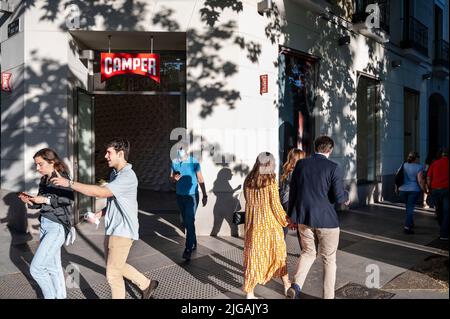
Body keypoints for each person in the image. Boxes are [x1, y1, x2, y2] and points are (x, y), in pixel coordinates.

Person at [51, 138, 159, 299]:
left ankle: (145, 285)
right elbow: (115, 202)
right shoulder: (115, 174)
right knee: (117, 266)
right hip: (113, 229)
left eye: (109, 153)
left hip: (123, 231)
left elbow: (100, 193)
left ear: (120, 154)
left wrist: (69, 183)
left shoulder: (127, 176)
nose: (106, 156)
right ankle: (146, 284)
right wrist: (99, 214)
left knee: (113, 274)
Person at [286, 136, 349, 299]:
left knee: (307, 253)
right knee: (329, 259)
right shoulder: (333, 167)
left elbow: (293, 192)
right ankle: (328, 297)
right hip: (327, 221)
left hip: (304, 218)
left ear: (315, 147)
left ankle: (296, 285)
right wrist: (346, 196)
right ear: (330, 150)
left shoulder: (301, 164)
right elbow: (339, 197)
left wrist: (291, 216)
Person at [18, 148, 74, 299]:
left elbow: (68, 200)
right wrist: (30, 201)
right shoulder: (44, 179)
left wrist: (44, 200)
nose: (37, 168)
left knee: (36, 269)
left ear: (52, 162)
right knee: (53, 266)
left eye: (40, 164)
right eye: (36, 165)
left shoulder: (62, 177)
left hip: (57, 226)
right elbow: (41, 203)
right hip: (45, 224)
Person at [242, 152, 291, 299]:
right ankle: (287, 285)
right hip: (270, 225)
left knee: (254, 257)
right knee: (279, 254)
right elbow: (276, 206)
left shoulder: (248, 180)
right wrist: (286, 220)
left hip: (253, 224)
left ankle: (250, 292)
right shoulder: (271, 181)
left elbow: (247, 199)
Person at [170, 141, 207, 261]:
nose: (179, 151)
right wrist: (174, 179)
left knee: (189, 221)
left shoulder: (194, 162)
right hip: (180, 196)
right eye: (178, 149)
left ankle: (188, 249)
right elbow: (171, 178)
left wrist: (204, 195)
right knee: (186, 222)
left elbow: (200, 179)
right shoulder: (175, 162)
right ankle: (193, 240)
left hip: (192, 196)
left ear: (186, 150)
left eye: (181, 149)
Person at [280, 148, 306, 247]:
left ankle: (279, 251)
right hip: (291, 202)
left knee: (284, 227)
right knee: (300, 228)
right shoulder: (295, 172)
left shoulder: (286, 170)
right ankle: (304, 251)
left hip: (284, 201)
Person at [398, 151, 426, 234]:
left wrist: (396, 188)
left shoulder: (403, 165)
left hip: (402, 190)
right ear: (416, 158)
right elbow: (420, 181)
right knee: (410, 208)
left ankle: (410, 223)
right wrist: (424, 190)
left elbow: (398, 176)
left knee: (408, 207)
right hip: (414, 190)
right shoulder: (419, 167)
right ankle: (407, 227)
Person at [427, 148, 449, 240]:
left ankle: (443, 227)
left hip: (435, 190)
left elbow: (428, 177)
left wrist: (429, 189)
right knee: (447, 211)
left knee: (439, 211)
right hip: (447, 190)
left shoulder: (434, 163)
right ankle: (444, 233)